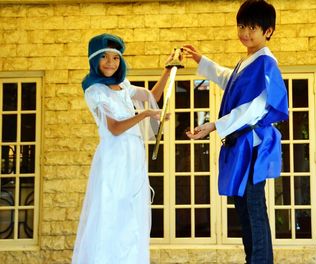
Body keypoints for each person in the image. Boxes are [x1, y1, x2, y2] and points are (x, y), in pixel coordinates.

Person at [183, 0, 288, 263]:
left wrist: (214, 125)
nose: (245, 33)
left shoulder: (266, 63)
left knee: (252, 207)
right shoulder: (248, 61)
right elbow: (229, 78)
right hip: (242, 143)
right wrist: (201, 61)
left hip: (252, 144)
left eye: (252, 27)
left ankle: (259, 261)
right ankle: (253, 259)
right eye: (242, 26)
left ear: (268, 31)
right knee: (244, 207)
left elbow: (255, 108)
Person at [72, 33, 172, 264]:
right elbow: (115, 128)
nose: (110, 62)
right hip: (114, 160)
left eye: (115, 57)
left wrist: (168, 70)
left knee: (130, 219)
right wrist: (145, 114)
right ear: (94, 59)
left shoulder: (123, 85)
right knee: (110, 217)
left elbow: (151, 96)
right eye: (104, 57)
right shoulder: (95, 90)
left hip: (133, 160)